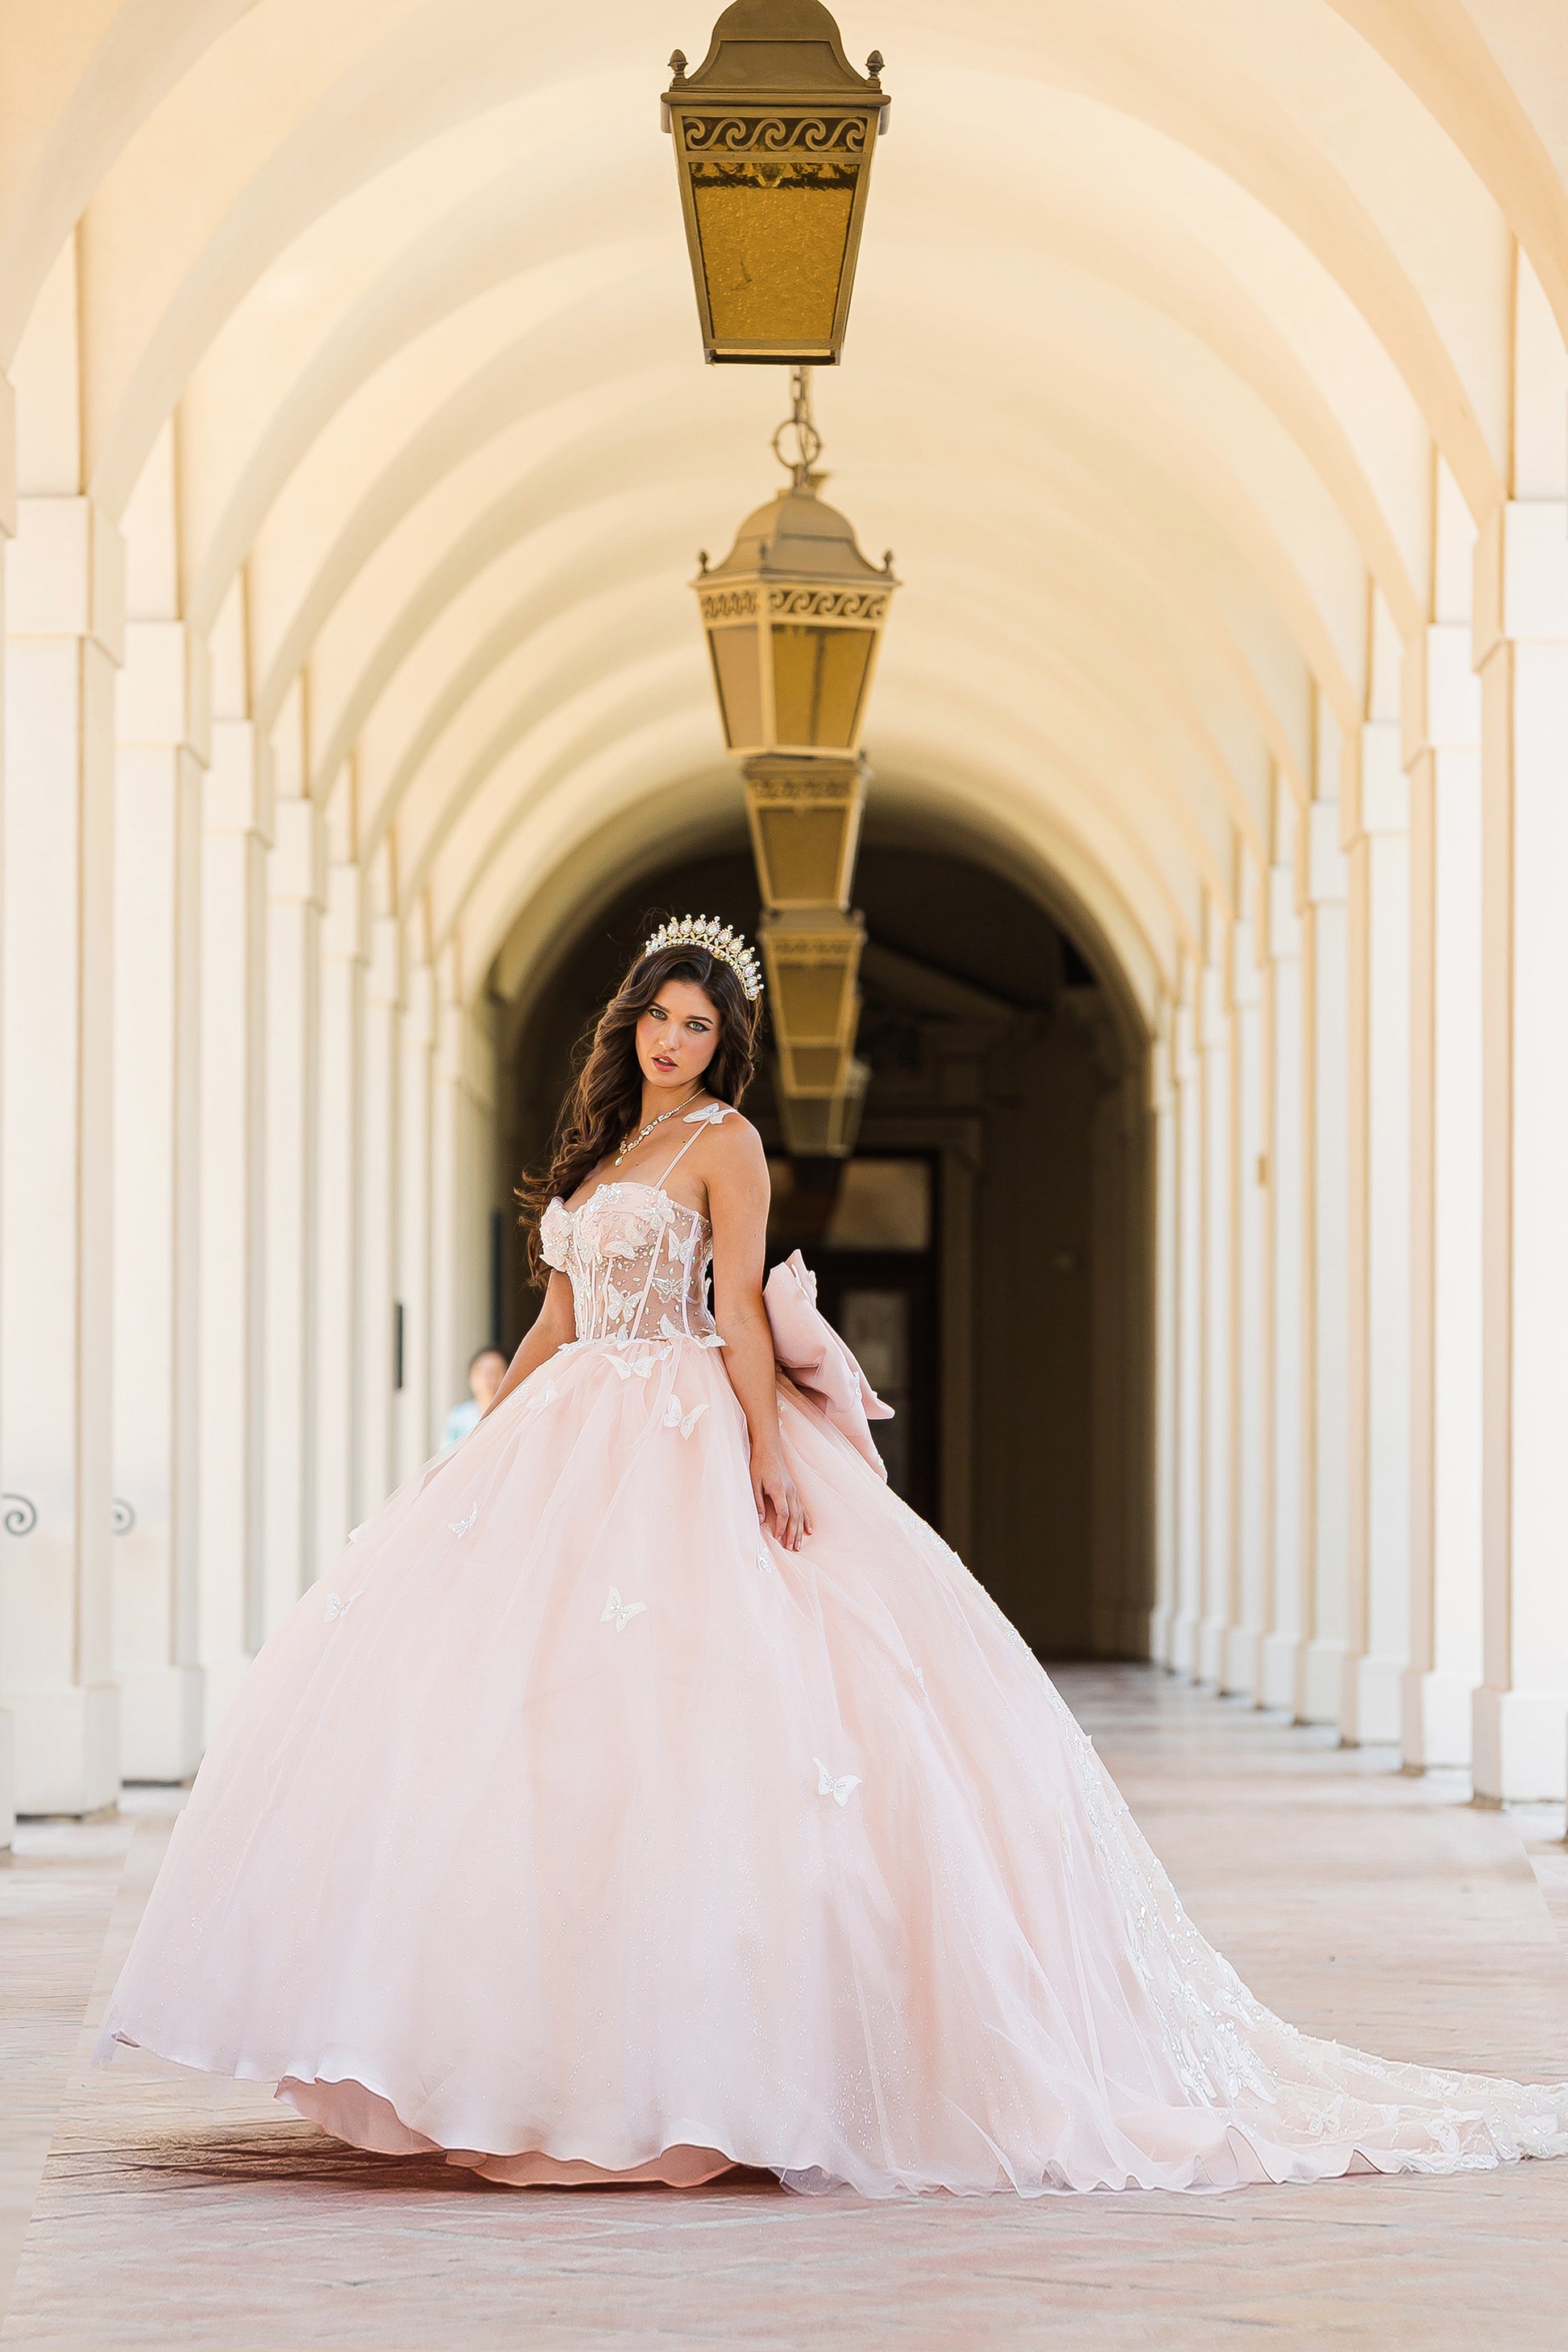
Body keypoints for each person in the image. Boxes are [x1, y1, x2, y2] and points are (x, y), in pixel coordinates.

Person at [97, 914, 1568, 2196]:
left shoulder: (724, 1142)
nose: (676, 1039)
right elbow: (550, 1315)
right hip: (566, 1431)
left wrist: (754, 1448)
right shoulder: (601, 1143)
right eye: (661, 1016)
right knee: (528, 1738)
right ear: (632, 1024)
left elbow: (735, 1302)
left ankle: (701, 2075)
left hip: (673, 1418)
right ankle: (525, 2058)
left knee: (702, 1722)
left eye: (701, 1024)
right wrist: (491, 1426)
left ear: (725, 1045)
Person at [441, 1346, 508, 1450]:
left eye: (496, 1372)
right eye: (482, 1373)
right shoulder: (459, 1416)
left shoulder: (514, 1413)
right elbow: (446, 1455)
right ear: (471, 1378)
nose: (489, 1379)